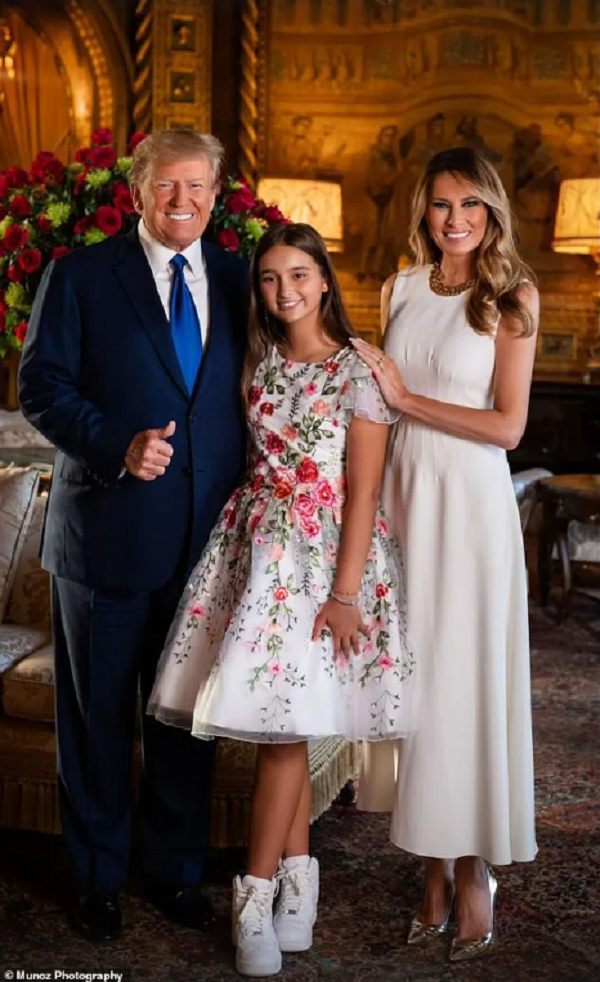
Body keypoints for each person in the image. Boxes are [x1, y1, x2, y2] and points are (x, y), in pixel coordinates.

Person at [148, 223, 417, 977]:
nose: (283, 290)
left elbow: (364, 489)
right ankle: (299, 884)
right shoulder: (258, 361)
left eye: (298, 274)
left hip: (325, 561)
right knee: (284, 727)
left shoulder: (359, 370)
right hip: (254, 551)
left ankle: (255, 894)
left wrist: (344, 594)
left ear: (324, 279)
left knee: (283, 732)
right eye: (269, 278)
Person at [18, 129, 248, 941]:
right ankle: (98, 880)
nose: (182, 201)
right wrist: (116, 444)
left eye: (197, 186)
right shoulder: (79, 275)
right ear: (139, 190)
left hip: (206, 540)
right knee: (98, 721)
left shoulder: (241, 276)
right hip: (104, 539)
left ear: (215, 194)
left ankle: (175, 872)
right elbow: (41, 386)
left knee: (183, 719)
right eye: (166, 186)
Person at [353, 146, 538, 963]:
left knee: (465, 687)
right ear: (422, 213)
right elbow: (373, 406)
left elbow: (508, 427)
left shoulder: (513, 295)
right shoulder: (399, 287)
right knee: (415, 683)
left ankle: (471, 870)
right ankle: (430, 864)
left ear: (491, 210)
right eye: (440, 205)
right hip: (404, 502)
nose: (454, 219)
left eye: (469, 204)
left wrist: (406, 398)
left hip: (470, 509)